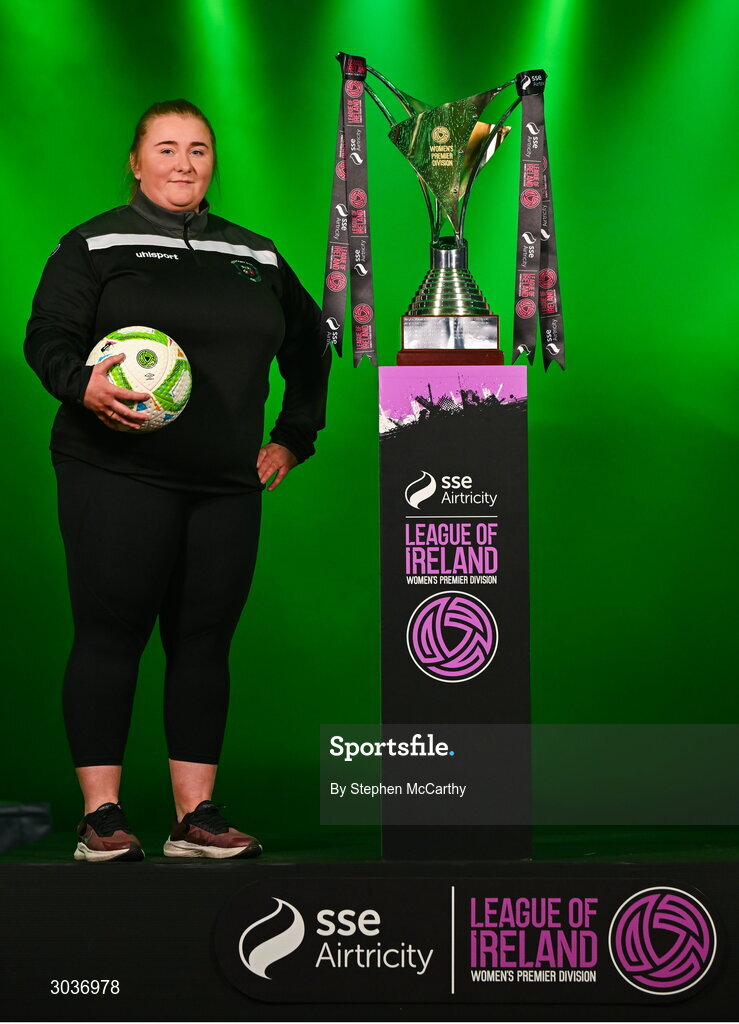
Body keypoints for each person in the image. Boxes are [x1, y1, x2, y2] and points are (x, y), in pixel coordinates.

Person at [24, 99, 330, 862]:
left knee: (203, 643)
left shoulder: (254, 255)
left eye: (197, 149)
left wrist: (293, 437)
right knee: (111, 633)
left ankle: (195, 820)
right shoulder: (95, 242)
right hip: (115, 470)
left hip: (224, 481)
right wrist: (80, 385)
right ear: (135, 161)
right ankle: (103, 817)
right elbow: (48, 336)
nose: (183, 163)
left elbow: (310, 344)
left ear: (212, 162)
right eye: (165, 148)